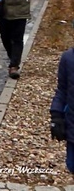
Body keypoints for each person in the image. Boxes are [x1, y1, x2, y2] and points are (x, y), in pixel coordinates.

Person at [50, 46, 74, 174]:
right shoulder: (68, 58)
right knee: (72, 164)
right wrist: (56, 115)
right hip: (72, 123)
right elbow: (62, 90)